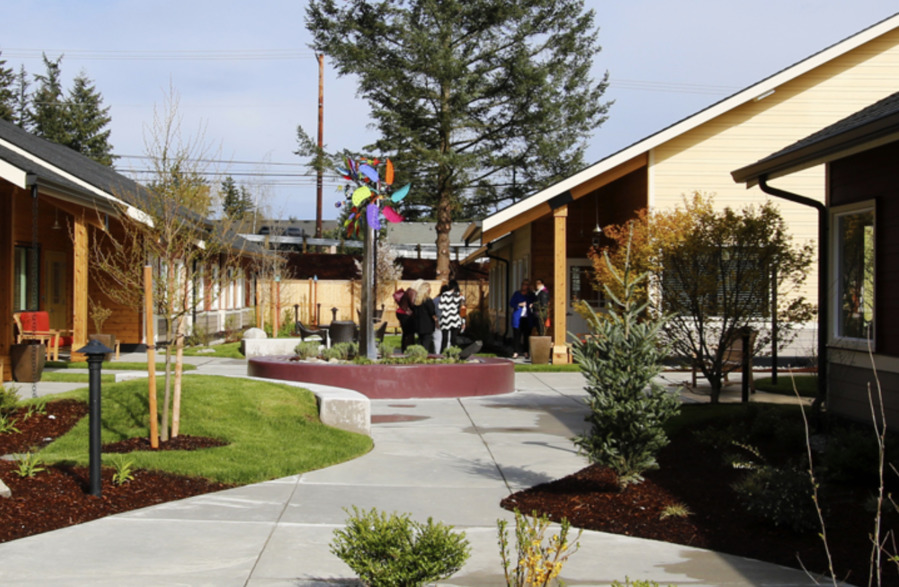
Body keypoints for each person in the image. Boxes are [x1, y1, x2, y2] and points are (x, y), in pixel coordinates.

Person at [509, 279, 535, 359]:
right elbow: (511, 303)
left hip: (527, 318)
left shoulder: (531, 295)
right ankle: (515, 352)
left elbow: (536, 301)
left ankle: (526, 352)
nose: (525, 286)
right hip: (518, 318)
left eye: (527, 284)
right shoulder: (517, 294)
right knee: (517, 335)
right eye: (524, 284)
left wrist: (532, 305)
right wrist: (519, 304)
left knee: (526, 335)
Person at [439, 279, 465, 351]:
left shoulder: (444, 294)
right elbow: (462, 310)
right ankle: (454, 352)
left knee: (444, 339)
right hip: (455, 319)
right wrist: (463, 322)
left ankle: (443, 353)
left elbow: (440, 307)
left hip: (445, 319)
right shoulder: (460, 295)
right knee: (453, 339)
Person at [396, 279, 422, 352]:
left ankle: (404, 348)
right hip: (407, 314)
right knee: (409, 333)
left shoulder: (408, 291)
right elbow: (412, 303)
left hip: (403, 313)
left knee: (406, 333)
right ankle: (409, 349)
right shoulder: (412, 292)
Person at [411, 281, 437, 353]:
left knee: (420, 341)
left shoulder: (417, 301)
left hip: (418, 325)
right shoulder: (428, 300)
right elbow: (432, 312)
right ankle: (424, 356)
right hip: (427, 326)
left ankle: (419, 355)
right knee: (426, 343)